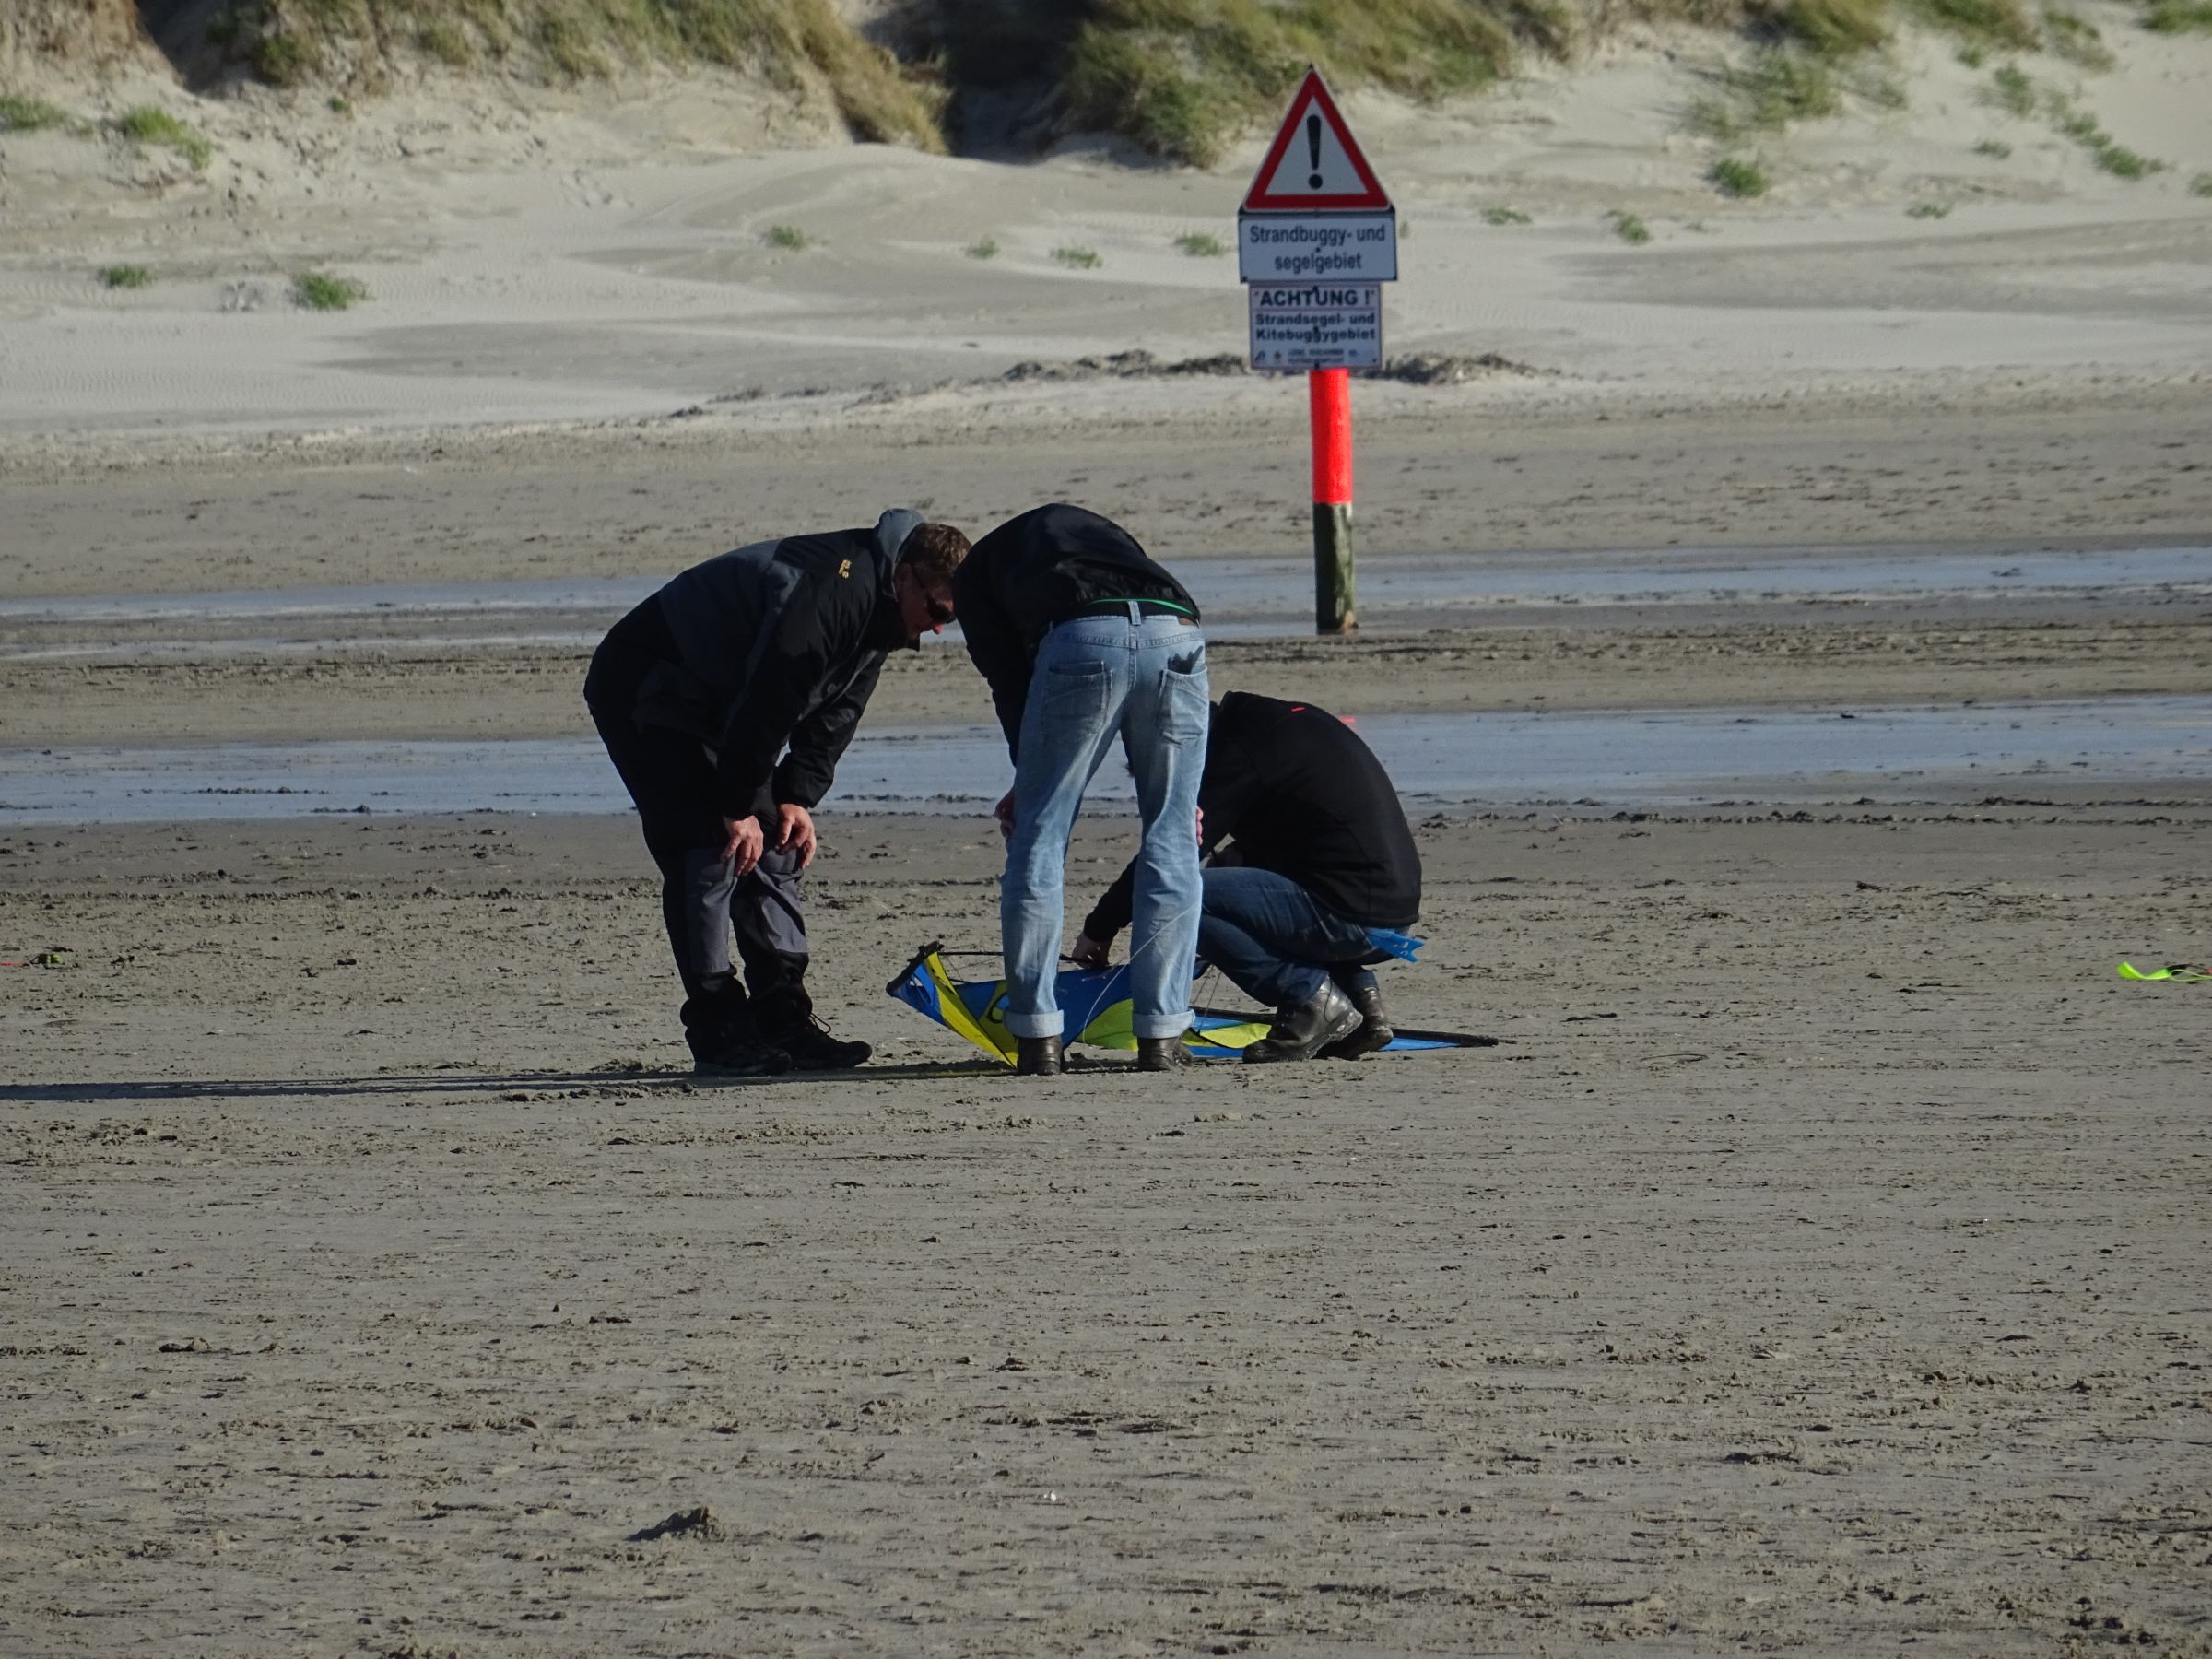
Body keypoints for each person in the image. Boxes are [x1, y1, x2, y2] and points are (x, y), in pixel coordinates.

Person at [585, 510, 969, 1075]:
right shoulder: (830, 594)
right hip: (651, 686)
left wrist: (795, 796)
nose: (938, 629)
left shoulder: (883, 612)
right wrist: (737, 806)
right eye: (937, 612)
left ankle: (780, 1015)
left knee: (780, 845)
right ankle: (718, 1028)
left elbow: (838, 711)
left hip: (727, 708)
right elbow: (769, 702)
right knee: (710, 849)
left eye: (950, 621)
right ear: (906, 576)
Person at [954, 503, 1208, 1077]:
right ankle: (1163, 1034)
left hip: (1081, 635)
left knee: (1039, 838)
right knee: (1173, 835)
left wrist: (1028, 779)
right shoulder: (1107, 536)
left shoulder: (974, 575)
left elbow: (1007, 681)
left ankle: (1038, 1034)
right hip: (1177, 628)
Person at [1073, 691, 1421, 1064]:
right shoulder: (1265, 725)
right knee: (1209, 886)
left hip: (1351, 916)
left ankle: (1308, 999)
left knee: (1169, 894)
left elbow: (1166, 863)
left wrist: (1099, 929)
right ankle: (1360, 1001)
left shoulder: (1234, 754)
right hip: (1388, 918)